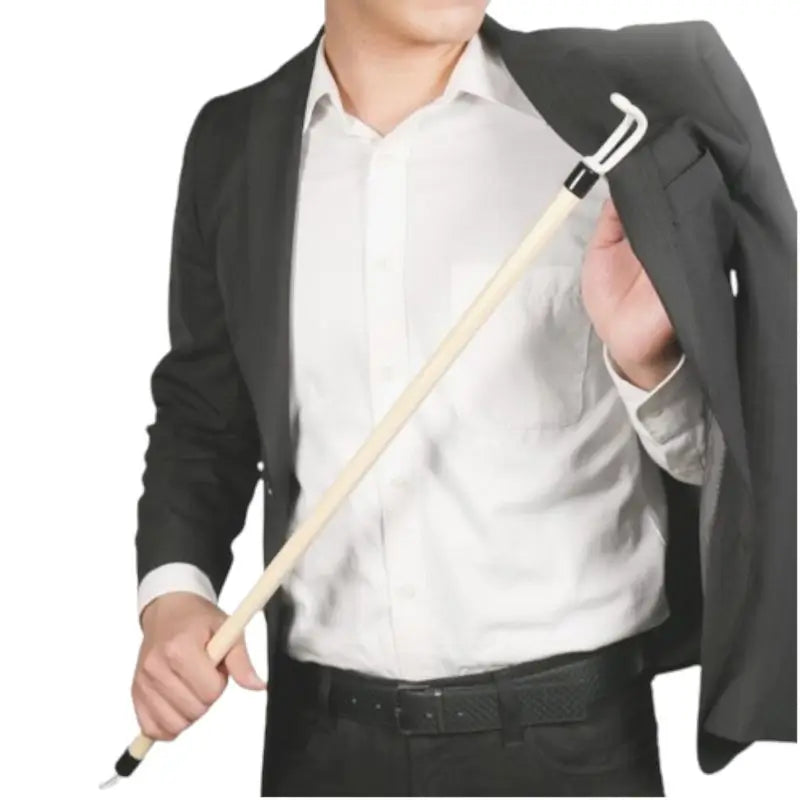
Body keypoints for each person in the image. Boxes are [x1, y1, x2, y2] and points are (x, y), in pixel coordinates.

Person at [130, 1, 796, 796]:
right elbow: (205, 415)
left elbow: (733, 457)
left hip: (571, 752)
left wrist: (648, 363)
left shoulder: (602, 129)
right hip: (320, 747)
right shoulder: (232, 145)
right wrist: (174, 595)